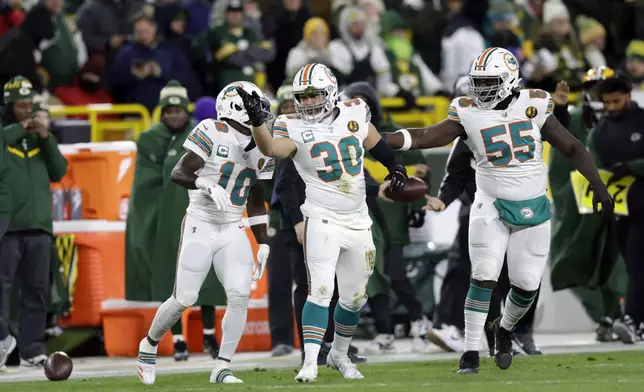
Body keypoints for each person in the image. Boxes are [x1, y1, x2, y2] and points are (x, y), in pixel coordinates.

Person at [383, 47, 614, 373]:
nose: (481, 89)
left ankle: (503, 330)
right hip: (488, 204)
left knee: (526, 285)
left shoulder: (533, 104)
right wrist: (377, 139)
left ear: (509, 80)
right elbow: (424, 136)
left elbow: (573, 147)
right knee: (484, 275)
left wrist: (599, 188)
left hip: (533, 205)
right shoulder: (467, 111)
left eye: (489, 82)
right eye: (477, 82)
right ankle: (470, 352)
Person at [235, 62, 407, 382]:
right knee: (321, 289)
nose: (308, 102)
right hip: (321, 216)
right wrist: (259, 122)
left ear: (330, 91)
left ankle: (340, 355)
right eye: (303, 96)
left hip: (357, 219)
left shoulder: (355, 110)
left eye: (313, 95)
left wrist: (395, 166)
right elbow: (272, 149)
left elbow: (375, 144)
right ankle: (310, 361)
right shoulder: (291, 124)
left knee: (355, 297)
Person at [136, 81, 275, 385]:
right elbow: (179, 172)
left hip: (232, 226)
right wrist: (206, 184)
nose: (261, 112)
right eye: (254, 106)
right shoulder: (212, 129)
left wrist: (262, 241)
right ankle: (148, 345)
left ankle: (222, 366)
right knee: (184, 297)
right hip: (201, 220)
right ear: (235, 107)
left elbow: (255, 197)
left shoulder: (264, 144)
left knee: (240, 295)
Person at [125, 81, 222, 361]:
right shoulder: (149, 139)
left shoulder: (202, 133)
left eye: (179, 109)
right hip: (167, 221)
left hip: (200, 215)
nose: (174, 115)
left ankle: (208, 335)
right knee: (173, 280)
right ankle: (178, 340)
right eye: (169, 110)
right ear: (162, 112)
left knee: (207, 276)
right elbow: (145, 186)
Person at [548, 67, 630, 343]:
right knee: (570, 260)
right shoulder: (575, 117)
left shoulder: (627, 118)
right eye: (593, 87)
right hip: (584, 200)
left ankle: (615, 318)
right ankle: (607, 317)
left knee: (617, 261)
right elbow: (559, 143)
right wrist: (559, 112)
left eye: (602, 86)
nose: (597, 92)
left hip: (622, 198)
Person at [0, 76, 67, 367]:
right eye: (20, 106)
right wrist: (17, 129)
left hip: (39, 226)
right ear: (8, 107)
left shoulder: (40, 142)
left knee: (37, 290)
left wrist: (46, 137)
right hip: (8, 226)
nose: (26, 111)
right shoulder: (5, 138)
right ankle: (3, 342)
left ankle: (32, 348)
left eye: (30, 106)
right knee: (1, 289)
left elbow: (59, 171)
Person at [586, 74, 644, 342]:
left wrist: (631, 167)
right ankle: (635, 319)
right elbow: (593, 158)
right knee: (631, 262)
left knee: (637, 257)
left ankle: (633, 318)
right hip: (622, 207)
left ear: (629, 97)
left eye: (617, 101)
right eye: (607, 102)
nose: (611, 107)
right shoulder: (601, 130)